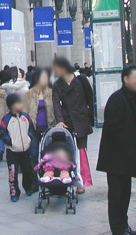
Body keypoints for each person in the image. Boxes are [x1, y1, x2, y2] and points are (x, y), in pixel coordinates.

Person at [96, 65, 136, 235]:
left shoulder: (130, 98)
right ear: (125, 79)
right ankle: (118, 229)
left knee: (124, 194)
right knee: (117, 195)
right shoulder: (117, 99)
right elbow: (114, 132)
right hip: (116, 159)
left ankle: (123, 226)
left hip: (124, 157)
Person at [52, 57, 95, 194]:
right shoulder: (57, 84)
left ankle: (81, 182)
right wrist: (59, 120)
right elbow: (55, 103)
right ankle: (66, 177)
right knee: (67, 152)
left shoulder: (81, 79)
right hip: (67, 122)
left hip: (81, 120)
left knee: (81, 152)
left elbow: (90, 98)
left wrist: (90, 118)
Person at [0, 93, 35, 202]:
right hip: (12, 152)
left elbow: (31, 128)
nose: (21, 105)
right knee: (13, 174)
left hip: (25, 150)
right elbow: (2, 133)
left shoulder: (26, 117)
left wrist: (29, 138)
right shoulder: (6, 119)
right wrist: (11, 142)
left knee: (27, 171)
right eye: (19, 103)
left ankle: (28, 187)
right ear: (12, 106)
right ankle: (14, 193)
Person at [24, 67, 55, 189]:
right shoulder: (29, 94)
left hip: (48, 129)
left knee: (48, 156)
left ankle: (47, 178)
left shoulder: (51, 93)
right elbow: (24, 112)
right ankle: (34, 182)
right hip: (33, 129)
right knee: (33, 156)